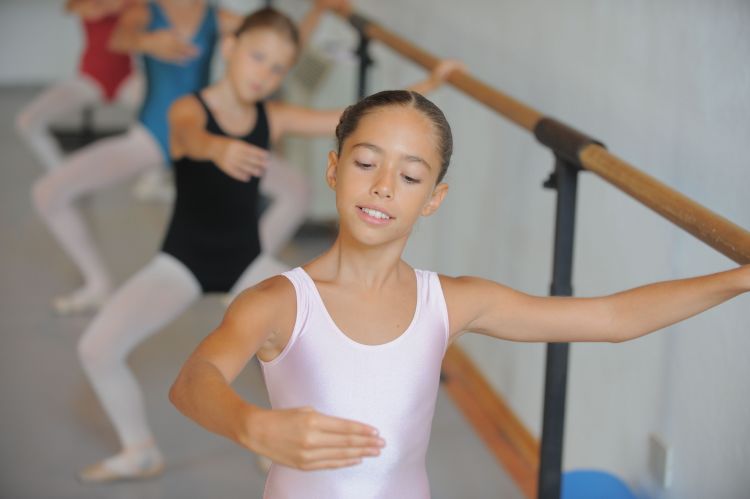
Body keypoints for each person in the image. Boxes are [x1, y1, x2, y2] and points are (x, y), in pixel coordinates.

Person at [169, 89, 750, 498]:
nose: (383, 186)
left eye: (409, 176)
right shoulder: (280, 302)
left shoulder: (447, 303)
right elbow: (193, 381)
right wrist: (253, 425)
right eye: (366, 162)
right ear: (333, 169)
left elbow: (613, 318)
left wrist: (738, 278)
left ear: (433, 199)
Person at [74, 7, 458, 484]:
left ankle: (283, 440)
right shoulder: (188, 109)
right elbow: (191, 137)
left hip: (246, 263)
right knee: (97, 348)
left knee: (316, 347)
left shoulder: (271, 117)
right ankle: (139, 449)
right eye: (257, 57)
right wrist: (217, 148)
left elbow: (358, 119)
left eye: (277, 68)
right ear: (230, 47)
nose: (264, 75)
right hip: (182, 262)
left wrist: (430, 84)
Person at [31, 0, 337, 314]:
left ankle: (245, 271)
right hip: (154, 137)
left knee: (297, 188)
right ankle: (98, 284)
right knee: (48, 192)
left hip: (212, 141)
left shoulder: (215, 18)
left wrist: (319, 11)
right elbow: (119, 38)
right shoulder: (146, 11)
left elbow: (280, 42)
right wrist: (148, 41)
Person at [15, 0, 142, 172]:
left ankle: (152, 177)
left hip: (126, 80)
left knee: (164, 117)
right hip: (89, 80)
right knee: (27, 121)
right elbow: (72, 7)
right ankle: (61, 173)